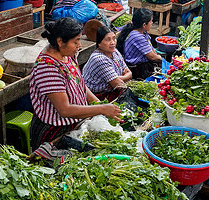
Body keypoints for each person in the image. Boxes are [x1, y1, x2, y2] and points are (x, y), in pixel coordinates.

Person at [28, 18, 121, 149]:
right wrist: (101, 109)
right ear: (60, 41)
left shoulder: (68, 54)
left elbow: (80, 84)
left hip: (74, 123)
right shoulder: (47, 68)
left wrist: (100, 104)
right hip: (54, 132)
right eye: (75, 41)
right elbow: (65, 109)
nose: (79, 45)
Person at [82, 26, 133, 100]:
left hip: (111, 91)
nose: (112, 42)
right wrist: (123, 77)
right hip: (96, 97)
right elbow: (118, 84)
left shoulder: (114, 51)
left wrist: (118, 78)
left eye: (114, 38)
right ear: (99, 43)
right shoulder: (99, 59)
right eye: (108, 40)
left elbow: (128, 72)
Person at [117, 9, 163, 79]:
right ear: (144, 24)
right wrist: (163, 60)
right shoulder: (137, 36)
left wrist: (158, 57)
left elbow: (151, 48)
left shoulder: (142, 31)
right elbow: (152, 57)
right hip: (137, 70)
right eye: (151, 21)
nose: (152, 23)